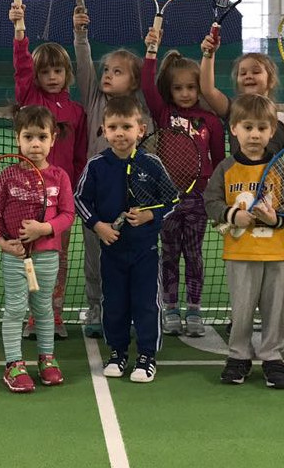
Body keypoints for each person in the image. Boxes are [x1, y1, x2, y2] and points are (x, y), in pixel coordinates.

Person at [75, 96, 176, 383]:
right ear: (104, 131)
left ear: (140, 130)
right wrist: (99, 226)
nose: (120, 133)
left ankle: (146, 356)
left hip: (145, 251)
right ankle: (117, 353)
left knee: (146, 303)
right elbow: (80, 201)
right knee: (114, 303)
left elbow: (172, 200)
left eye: (127, 126)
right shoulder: (96, 165)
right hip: (111, 252)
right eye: (113, 127)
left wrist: (151, 217)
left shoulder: (152, 164)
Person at [205, 94, 284, 389]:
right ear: (234, 129)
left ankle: (272, 356)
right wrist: (232, 215)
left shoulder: (280, 167)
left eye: (261, 128)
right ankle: (238, 355)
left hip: (275, 253)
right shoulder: (226, 168)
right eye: (247, 127)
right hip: (240, 253)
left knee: (275, 309)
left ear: (271, 131)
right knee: (241, 309)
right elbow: (211, 202)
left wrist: (274, 220)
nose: (254, 134)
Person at [10, 3, 86, 339]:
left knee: (58, 256)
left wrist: (77, 190)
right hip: (25, 194)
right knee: (28, 253)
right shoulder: (31, 100)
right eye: (45, 72)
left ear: (67, 74)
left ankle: (53, 314)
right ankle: (32, 315)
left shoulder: (77, 111)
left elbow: (81, 156)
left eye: (58, 71)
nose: (51, 77)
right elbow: (22, 68)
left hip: (59, 197)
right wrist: (20, 30)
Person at [143, 30, 225, 338]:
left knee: (194, 254)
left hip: (198, 199)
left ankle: (194, 309)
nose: (186, 93)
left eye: (192, 87)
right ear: (170, 90)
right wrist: (151, 50)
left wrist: (217, 201)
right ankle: (171, 307)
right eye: (179, 88)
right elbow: (146, 85)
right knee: (168, 254)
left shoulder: (212, 122)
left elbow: (218, 163)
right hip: (167, 199)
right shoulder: (164, 113)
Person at [0, 105, 76, 393]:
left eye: (42, 137)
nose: (35, 143)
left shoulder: (60, 177)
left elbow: (67, 214)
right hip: (15, 256)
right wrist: (3, 243)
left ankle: (46, 359)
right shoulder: (6, 176)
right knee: (15, 309)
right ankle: (14, 364)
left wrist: (44, 229)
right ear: (18, 139)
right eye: (28, 136)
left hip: (47, 255)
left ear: (53, 139)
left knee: (43, 308)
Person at [73, 10, 144, 338]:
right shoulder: (94, 98)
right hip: (98, 197)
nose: (107, 75)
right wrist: (81, 35)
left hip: (129, 199)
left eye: (117, 72)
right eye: (107, 70)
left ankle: (125, 308)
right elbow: (84, 66)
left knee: (127, 258)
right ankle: (96, 306)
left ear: (133, 82)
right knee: (94, 258)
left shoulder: (139, 112)